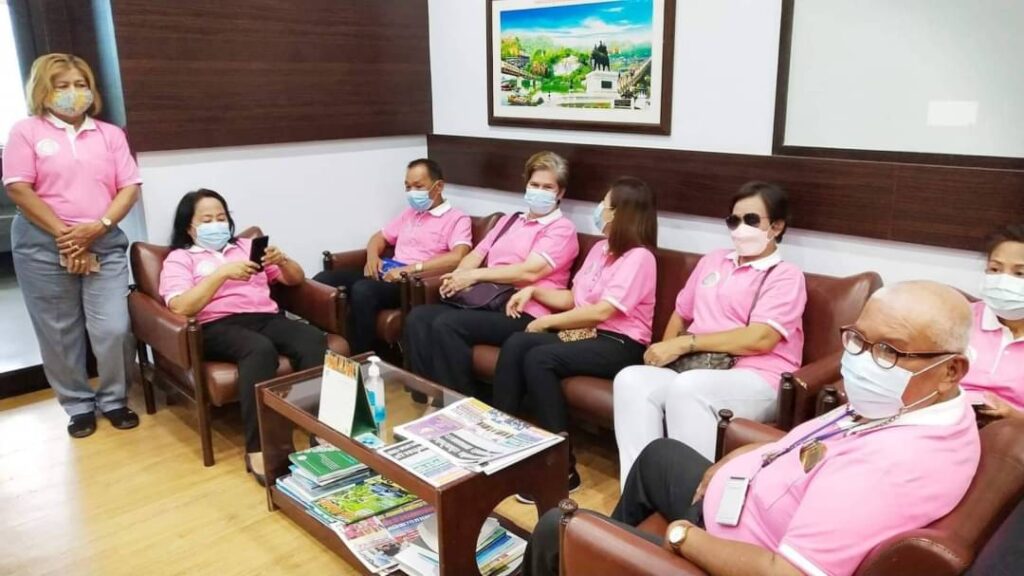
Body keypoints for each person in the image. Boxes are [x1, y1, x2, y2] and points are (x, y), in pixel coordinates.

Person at [527, 281, 981, 576]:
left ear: (951, 370)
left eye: (888, 351)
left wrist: (682, 536)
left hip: (732, 553)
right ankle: (601, 555)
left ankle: (589, 546)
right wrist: (747, 458)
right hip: (738, 505)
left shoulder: (893, 468)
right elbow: (817, 442)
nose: (861, 360)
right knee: (658, 456)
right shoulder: (917, 407)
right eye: (858, 339)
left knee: (555, 527)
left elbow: (786, 572)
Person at [613, 182, 807, 476]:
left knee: (689, 389)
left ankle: (691, 492)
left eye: (751, 220)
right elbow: (682, 312)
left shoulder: (786, 276)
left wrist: (685, 343)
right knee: (632, 380)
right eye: (734, 220)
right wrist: (664, 353)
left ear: (777, 226)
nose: (741, 228)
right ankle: (638, 488)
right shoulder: (714, 260)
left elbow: (761, 338)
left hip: (756, 376)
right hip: (695, 368)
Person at [3, 53, 141, 438]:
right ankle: (78, 405)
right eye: (62, 85)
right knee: (58, 331)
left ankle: (114, 399)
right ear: (43, 90)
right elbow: (18, 187)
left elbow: (129, 187)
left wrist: (98, 228)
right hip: (42, 246)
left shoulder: (109, 134)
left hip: (103, 240)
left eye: (80, 84)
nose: (73, 92)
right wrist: (67, 237)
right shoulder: (26, 131)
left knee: (114, 327)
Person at [493, 177, 657, 498]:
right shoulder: (599, 249)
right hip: (588, 334)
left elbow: (601, 312)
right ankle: (503, 442)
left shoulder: (639, 258)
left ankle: (561, 468)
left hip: (620, 343)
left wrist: (546, 322)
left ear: (619, 213)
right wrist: (534, 291)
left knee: (540, 358)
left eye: (604, 205)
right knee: (517, 342)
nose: (599, 210)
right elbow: (573, 299)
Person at [158, 189, 327, 484]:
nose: (216, 224)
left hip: (264, 316)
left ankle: (318, 429)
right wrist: (221, 274)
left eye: (221, 217)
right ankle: (259, 448)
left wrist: (283, 260)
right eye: (207, 220)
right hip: (215, 325)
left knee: (312, 338)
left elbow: (295, 279)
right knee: (259, 350)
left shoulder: (247, 247)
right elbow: (181, 306)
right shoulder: (180, 259)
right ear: (189, 227)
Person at [403, 151, 579, 397]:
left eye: (547, 187)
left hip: (523, 309)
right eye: (534, 184)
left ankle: (459, 404)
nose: (539, 191)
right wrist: (458, 277)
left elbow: (528, 272)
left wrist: (475, 276)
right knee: (418, 317)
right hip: (488, 299)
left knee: (448, 325)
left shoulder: (562, 229)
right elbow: (476, 254)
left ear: (560, 193)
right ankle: (426, 397)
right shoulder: (510, 221)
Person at [312, 159, 472, 354]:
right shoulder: (410, 213)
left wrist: (410, 269)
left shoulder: (457, 219)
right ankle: (322, 350)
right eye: (408, 187)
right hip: (387, 271)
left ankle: (361, 357)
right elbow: (379, 237)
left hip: (411, 282)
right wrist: (372, 258)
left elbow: (458, 256)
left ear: (438, 186)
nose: (412, 192)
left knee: (364, 290)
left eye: (418, 186)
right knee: (324, 280)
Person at [961, 224, 1024, 420]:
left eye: (1020, 273)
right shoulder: (959, 317)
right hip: (951, 422)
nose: (1003, 281)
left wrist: (1015, 417)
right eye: (995, 269)